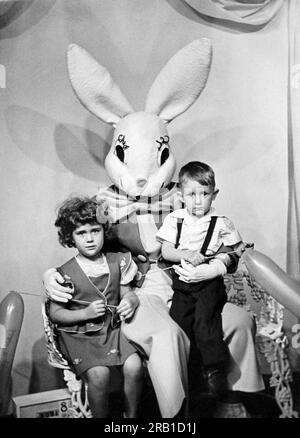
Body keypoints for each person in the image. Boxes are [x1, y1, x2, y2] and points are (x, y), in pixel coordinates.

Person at [48, 196, 144, 418]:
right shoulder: (64, 273)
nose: (89, 239)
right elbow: (55, 313)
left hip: (112, 330)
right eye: (81, 233)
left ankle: (131, 418)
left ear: (104, 230)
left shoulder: (118, 261)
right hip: (81, 335)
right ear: (70, 237)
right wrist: (85, 313)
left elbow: (127, 292)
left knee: (135, 367)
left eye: (95, 231)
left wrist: (130, 301)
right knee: (100, 375)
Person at [156, 161, 243, 402]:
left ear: (214, 194)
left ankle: (214, 369)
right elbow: (166, 250)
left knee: (206, 320)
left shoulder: (222, 221)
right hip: (183, 283)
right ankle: (190, 375)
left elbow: (236, 251)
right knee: (179, 323)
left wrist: (217, 265)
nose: (197, 201)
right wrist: (185, 254)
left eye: (204, 194)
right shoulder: (175, 219)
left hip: (209, 283)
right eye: (191, 194)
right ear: (180, 195)